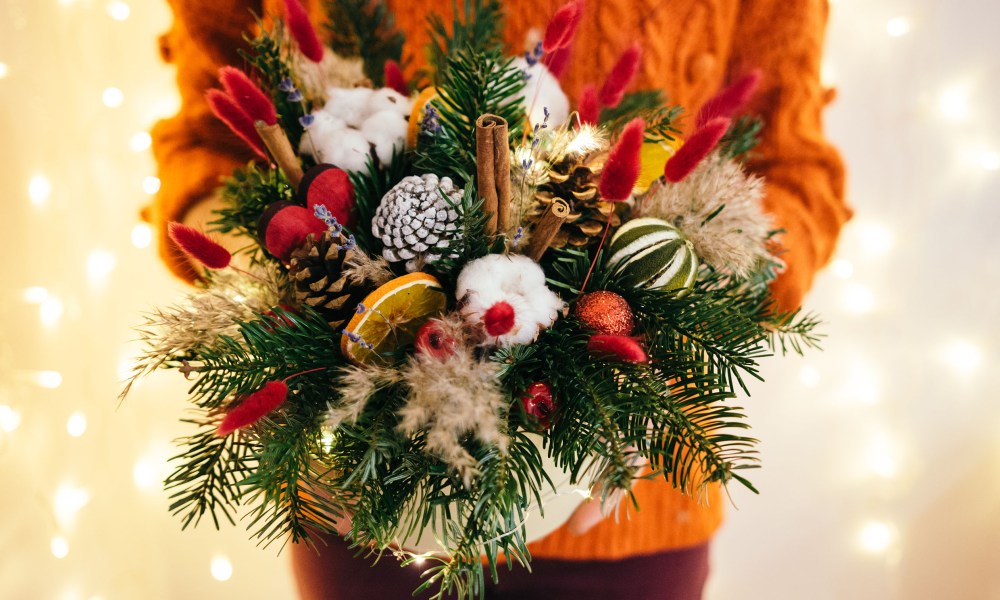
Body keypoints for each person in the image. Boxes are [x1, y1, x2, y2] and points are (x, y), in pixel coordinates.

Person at [148, 1, 851, 598]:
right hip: (368, 509)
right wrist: (285, 305)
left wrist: (650, 353)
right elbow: (209, 145)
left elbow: (793, 178)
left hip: (632, 523)